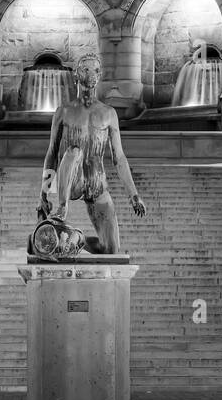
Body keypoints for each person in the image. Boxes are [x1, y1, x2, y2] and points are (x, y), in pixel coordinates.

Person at [38, 53, 146, 254]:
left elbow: (119, 158)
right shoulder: (64, 111)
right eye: (86, 69)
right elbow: (52, 153)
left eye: (96, 70)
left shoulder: (108, 113)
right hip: (72, 181)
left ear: (100, 75)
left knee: (111, 250)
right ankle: (63, 207)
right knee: (73, 151)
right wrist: (43, 193)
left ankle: (72, 240)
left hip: (96, 182)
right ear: (76, 75)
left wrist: (134, 194)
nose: (92, 74)